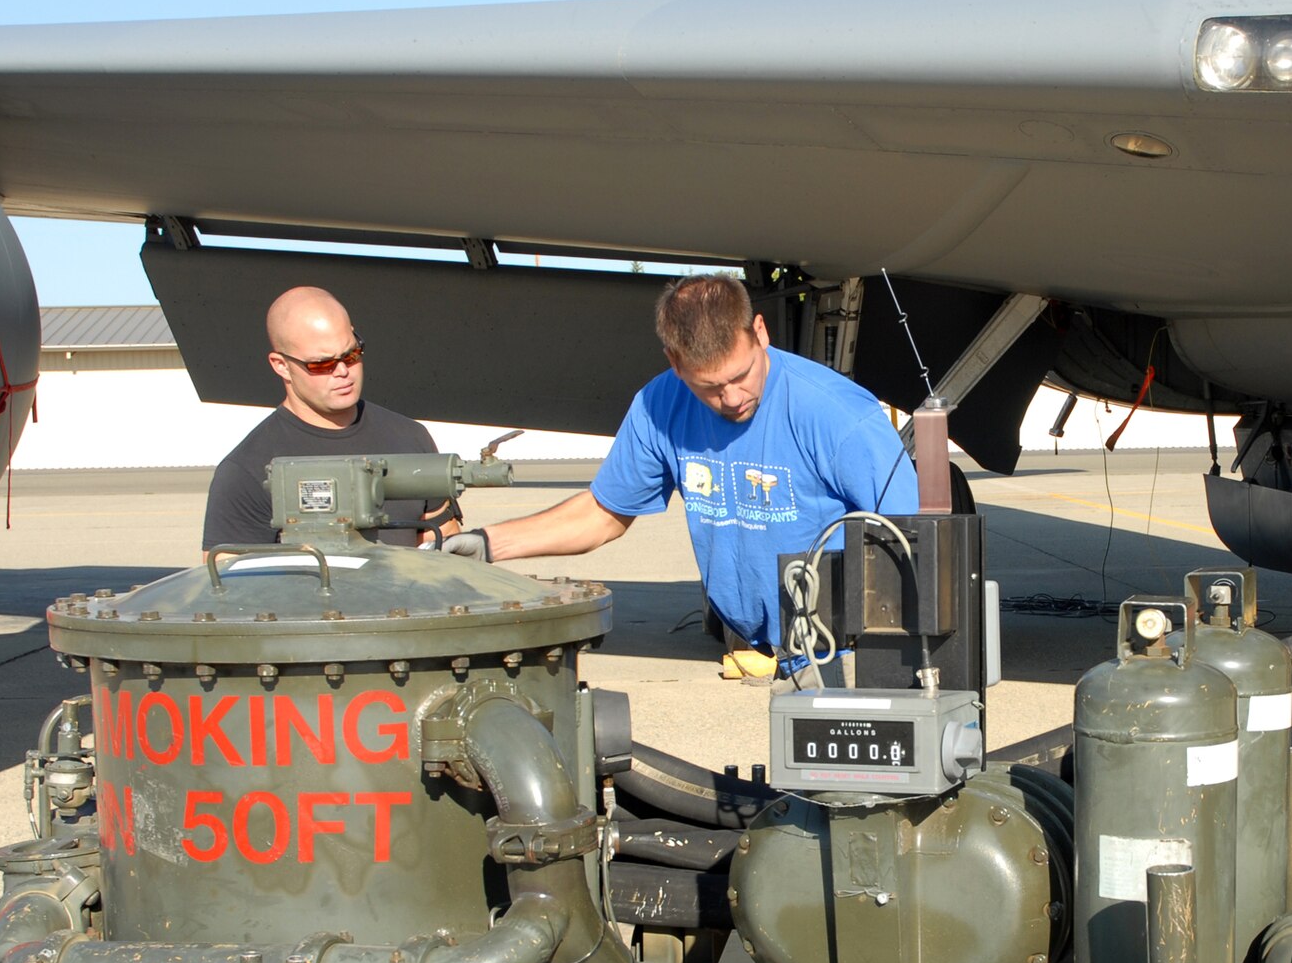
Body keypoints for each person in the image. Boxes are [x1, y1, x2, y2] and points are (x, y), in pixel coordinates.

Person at [451, 274, 919, 676]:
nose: (733, 397)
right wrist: (488, 544)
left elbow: (913, 536)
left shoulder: (836, 414)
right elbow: (603, 514)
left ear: (760, 332)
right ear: (675, 363)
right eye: (710, 387)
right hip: (755, 649)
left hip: (846, 654)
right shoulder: (659, 407)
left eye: (742, 375)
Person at [202, 286, 457, 551]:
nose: (343, 371)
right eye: (321, 364)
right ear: (281, 365)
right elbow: (230, 578)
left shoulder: (411, 438)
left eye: (351, 354)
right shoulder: (247, 469)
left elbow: (441, 542)